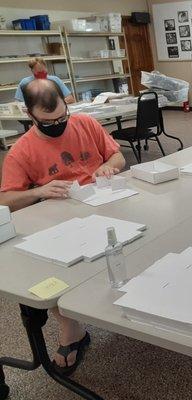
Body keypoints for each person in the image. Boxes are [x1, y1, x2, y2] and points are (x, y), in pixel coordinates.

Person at [0, 79, 126, 374]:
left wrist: (109, 166)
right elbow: (5, 200)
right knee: (57, 268)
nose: (58, 125)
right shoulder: (22, 150)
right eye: (48, 121)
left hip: (105, 201)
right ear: (30, 115)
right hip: (61, 219)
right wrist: (39, 192)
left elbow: (116, 155)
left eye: (61, 117)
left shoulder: (85, 123)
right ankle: (72, 326)